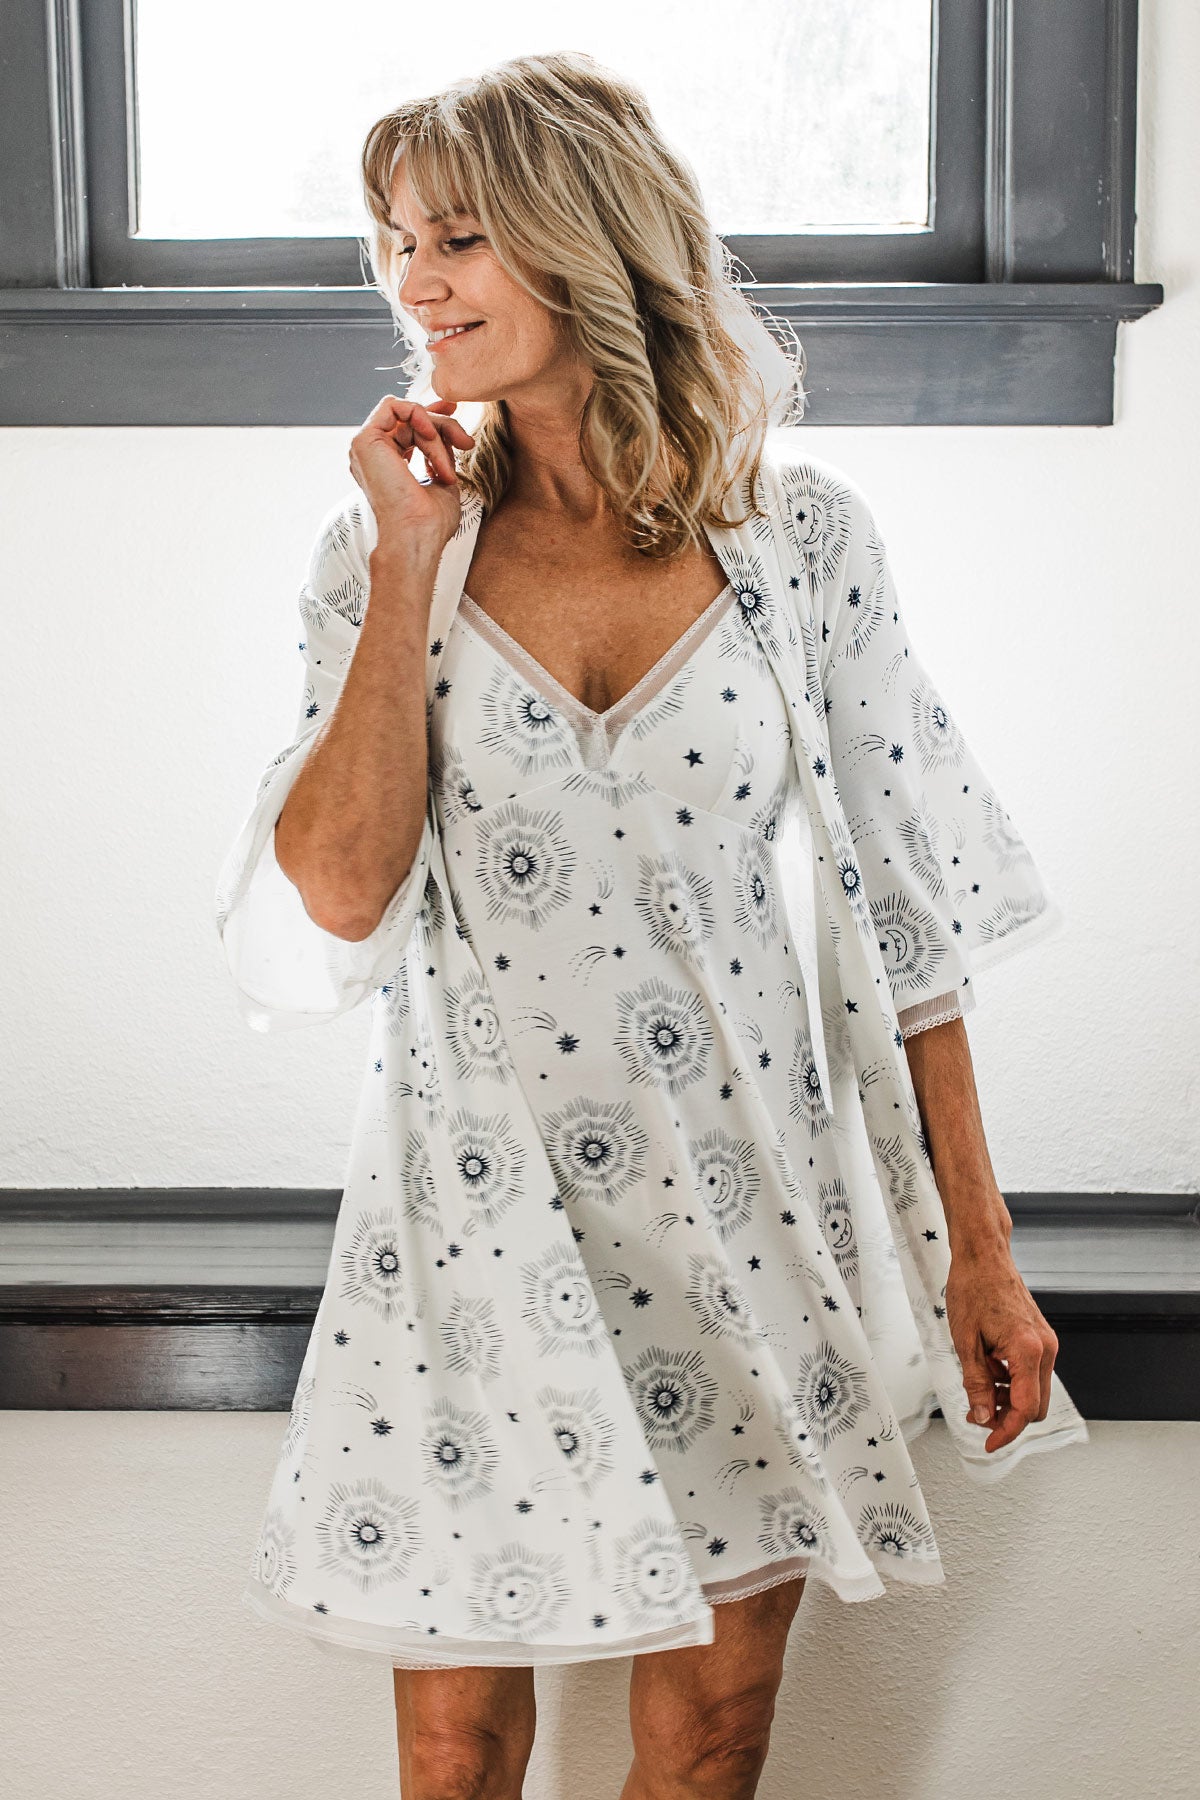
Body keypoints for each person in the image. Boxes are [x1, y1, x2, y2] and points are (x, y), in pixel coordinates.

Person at [215, 49, 1089, 1800]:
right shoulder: (385, 550)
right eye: (396, 243)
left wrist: (977, 1249)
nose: (416, 282)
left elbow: (906, 917)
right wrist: (405, 559)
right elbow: (336, 887)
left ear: (585, 236)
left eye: (459, 236)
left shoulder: (802, 542)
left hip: (738, 1199)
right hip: (466, 1216)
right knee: (457, 1748)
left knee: (713, 1737)